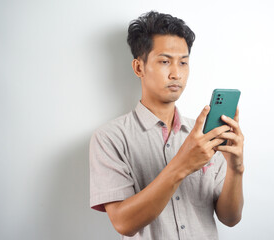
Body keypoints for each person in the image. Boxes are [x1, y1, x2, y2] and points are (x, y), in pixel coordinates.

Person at [89, 11, 244, 240]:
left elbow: (230, 218)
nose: (176, 73)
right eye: (164, 61)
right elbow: (123, 223)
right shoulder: (110, 138)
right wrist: (182, 164)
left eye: (183, 63)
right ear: (139, 67)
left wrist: (236, 168)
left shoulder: (205, 135)